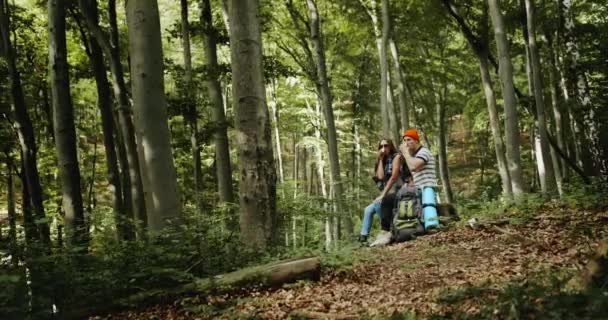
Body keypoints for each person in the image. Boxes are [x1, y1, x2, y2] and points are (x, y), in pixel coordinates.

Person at [380, 128, 437, 236]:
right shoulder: (414, 155)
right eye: (405, 140)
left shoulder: (424, 152)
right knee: (391, 198)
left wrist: (405, 153)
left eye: (409, 140)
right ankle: (390, 230)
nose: (406, 143)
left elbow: (413, 166)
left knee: (390, 199)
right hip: (417, 189)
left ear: (416, 140)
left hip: (425, 190)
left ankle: (387, 232)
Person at [359, 139, 408, 244]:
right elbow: (380, 177)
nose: (383, 148)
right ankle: (363, 239)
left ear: (390, 146)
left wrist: (382, 195)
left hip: (398, 190)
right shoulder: (383, 160)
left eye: (386, 146)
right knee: (368, 210)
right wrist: (380, 160)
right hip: (387, 192)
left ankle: (388, 229)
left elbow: (394, 177)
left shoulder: (397, 157)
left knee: (378, 204)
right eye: (381, 146)